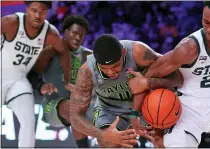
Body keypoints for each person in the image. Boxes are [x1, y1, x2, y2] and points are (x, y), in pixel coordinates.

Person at [128, 1, 210, 148]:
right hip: (185, 109)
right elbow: (147, 76)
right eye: (206, 22)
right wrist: (136, 115)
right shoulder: (188, 48)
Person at [70, 34, 182, 147]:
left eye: (115, 66)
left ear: (123, 53)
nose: (110, 72)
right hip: (110, 109)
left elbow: (177, 77)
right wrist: (103, 134)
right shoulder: (87, 71)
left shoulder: (138, 52)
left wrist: (148, 82)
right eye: (104, 68)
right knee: (108, 142)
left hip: (146, 104)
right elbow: (75, 117)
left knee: (164, 142)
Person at [0, 1, 71, 147]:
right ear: (27, 9)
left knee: (29, 123)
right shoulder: (11, 22)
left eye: (42, 11)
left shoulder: (50, 33)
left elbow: (64, 52)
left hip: (18, 81)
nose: (38, 15)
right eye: (34, 10)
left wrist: (67, 81)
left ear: (47, 12)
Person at [30, 15, 93, 148]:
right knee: (75, 107)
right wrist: (41, 85)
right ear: (65, 32)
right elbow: (31, 75)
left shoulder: (89, 56)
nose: (78, 38)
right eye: (75, 33)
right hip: (52, 106)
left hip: (82, 105)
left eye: (82, 35)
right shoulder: (50, 52)